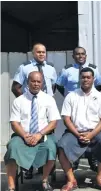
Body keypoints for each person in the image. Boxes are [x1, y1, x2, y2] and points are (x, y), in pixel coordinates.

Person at [58, 68, 101, 191]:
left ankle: (99, 178)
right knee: (61, 146)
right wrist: (77, 134)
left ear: (93, 79)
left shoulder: (100, 97)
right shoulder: (71, 96)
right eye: (83, 77)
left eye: (88, 77)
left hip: (96, 132)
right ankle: (71, 180)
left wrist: (91, 134)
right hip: (75, 132)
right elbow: (66, 119)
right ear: (79, 79)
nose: (85, 79)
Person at [5, 71, 61, 191]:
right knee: (12, 148)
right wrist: (25, 135)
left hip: (43, 134)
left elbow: (53, 122)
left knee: (51, 147)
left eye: (38, 81)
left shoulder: (49, 99)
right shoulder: (19, 100)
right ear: (27, 82)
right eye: (33, 81)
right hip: (22, 135)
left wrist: (39, 134)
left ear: (42, 83)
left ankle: (45, 181)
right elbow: (14, 123)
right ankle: (11, 186)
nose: (36, 84)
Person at [11, 43, 57, 179]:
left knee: (47, 140)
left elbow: (53, 86)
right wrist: (29, 101)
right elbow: (15, 87)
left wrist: (44, 99)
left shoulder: (50, 68)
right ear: (33, 53)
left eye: (44, 52)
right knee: (29, 137)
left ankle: (45, 173)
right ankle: (28, 167)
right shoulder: (24, 68)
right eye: (38, 52)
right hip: (30, 106)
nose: (41, 54)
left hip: (46, 107)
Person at [56, 46, 101, 172]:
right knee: (73, 131)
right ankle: (74, 159)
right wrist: (69, 97)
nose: (80, 56)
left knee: (90, 128)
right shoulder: (67, 70)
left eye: (83, 54)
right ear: (73, 56)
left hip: (89, 102)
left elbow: (99, 85)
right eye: (77, 54)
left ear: (86, 55)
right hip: (73, 104)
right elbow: (59, 85)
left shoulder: (94, 68)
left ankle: (92, 158)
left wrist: (89, 96)